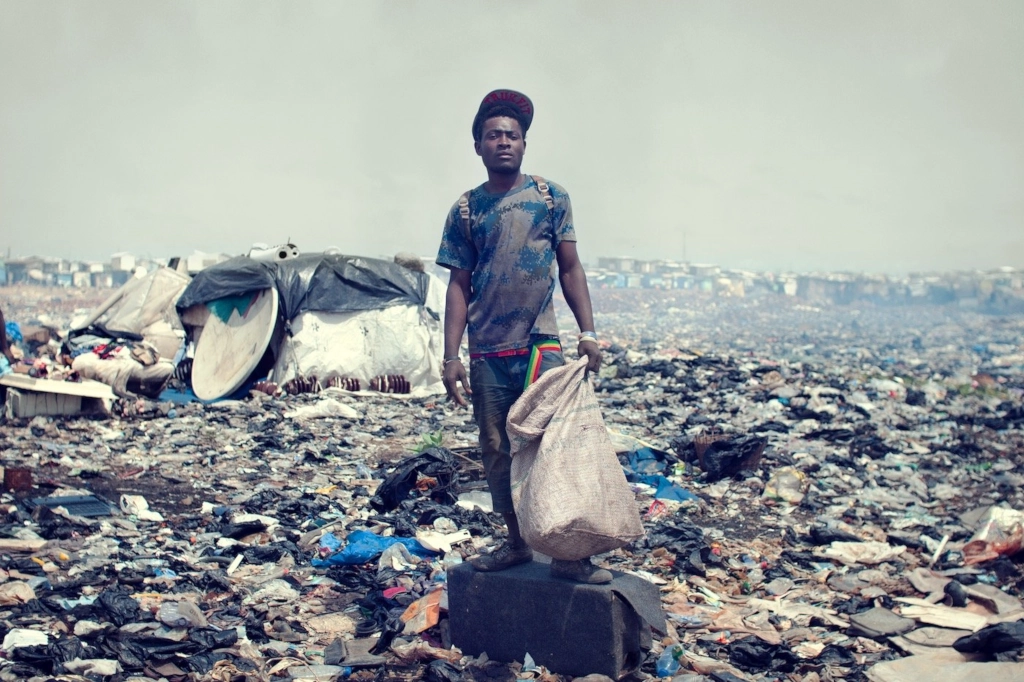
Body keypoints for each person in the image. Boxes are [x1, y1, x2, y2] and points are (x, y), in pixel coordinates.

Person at [436, 89, 610, 584]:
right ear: (478, 146)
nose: (504, 142)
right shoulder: (466, 210)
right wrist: (451, 357)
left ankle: (569, 555)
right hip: (489, 351)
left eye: (512, 135)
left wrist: (589, 333)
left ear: (525, 144)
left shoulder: (550, 198)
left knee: (554, 446)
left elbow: (571, 268)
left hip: (540, 345)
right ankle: (514, 542)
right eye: (494, 135)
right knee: (496, 449)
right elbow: (457, 287)